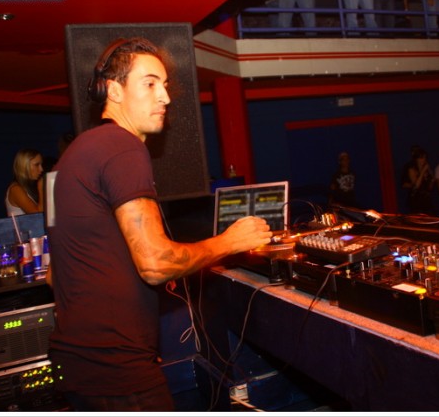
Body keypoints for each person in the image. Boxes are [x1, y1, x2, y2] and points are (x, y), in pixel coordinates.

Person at [46, 37, 272, 412]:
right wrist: (230, 241)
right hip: (116, 368)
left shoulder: (64, 164)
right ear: (113, 91)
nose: (165, 97)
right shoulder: (122, 147)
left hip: (78, 363)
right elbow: (156, 264)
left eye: (164, 85)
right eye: (150, 84)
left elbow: (55, 275)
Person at [5, 148, 44, 215]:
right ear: (24, 165)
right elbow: (38, 216)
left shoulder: (30, 187)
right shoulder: (15, 189)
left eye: (41, 165)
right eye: (37, 165)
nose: (41, 169)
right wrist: (41, 189)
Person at [401, 145, 434, 214]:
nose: (423, 160)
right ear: (416, 159)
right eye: (421, 158)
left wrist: (431, 180)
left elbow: (430, 186)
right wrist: (422, 172)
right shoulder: (411, 168)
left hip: (427, 200)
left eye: (425, 158)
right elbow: (416, 186)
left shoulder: (427, 168)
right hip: (416, 200)